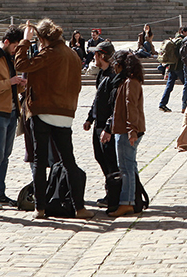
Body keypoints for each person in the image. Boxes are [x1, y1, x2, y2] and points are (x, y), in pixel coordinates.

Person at [14, 18, 93, 220]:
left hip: (43, 110)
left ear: (41, 38)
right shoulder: (73, 54)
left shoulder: (50, 53)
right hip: (65, 113)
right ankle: (79, 207)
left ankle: (40, 208)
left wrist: (25, 41)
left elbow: (21, 64)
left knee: (40, 162)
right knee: (69, 161)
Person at [0, 25, 27, 209]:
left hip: (12, 111)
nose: (16, 50)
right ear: (7, 42)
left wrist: (22, 84)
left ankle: (0, 192)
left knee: (6, 155)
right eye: (15, 46)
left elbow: (13, 85)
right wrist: (9, 82)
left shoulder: (11, 58)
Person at [108, 51, 146, 217]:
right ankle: (134, 199)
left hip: (127, 130)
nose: (114, 68)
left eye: (115, 64)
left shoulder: (130, 82)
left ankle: (127, 202)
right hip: (125, 129)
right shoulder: (128, 81)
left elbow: (131, 107)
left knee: (126, 167)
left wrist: (132, 131)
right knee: (130, 166)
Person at [82, 41, 118, 208]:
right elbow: (98, 99)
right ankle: (110, 189)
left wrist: (109, 128)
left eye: (95, 54)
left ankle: (114, 193)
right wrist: (90, 118)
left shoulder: (113, 76)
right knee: (100, 157)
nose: (93, 57)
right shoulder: (102, 74)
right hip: (98, 124)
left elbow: (115, 106)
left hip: (106, 126)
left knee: (110, 160)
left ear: (101, 55)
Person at [159, 27, 186, 112]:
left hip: (171, 66)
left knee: (169, 86)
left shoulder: (174, 39)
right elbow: (180, 54)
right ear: (183, 32)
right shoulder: (181, 41)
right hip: (178, 67)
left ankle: (162, 104)